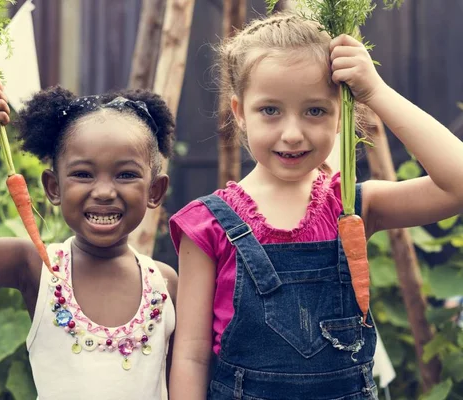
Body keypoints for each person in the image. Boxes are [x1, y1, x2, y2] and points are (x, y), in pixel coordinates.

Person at [168, 12, 463, 400]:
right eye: (270, 110)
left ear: (341, 115)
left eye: (315, 110)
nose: (292, 134)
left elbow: (456, 184)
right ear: (240, 113)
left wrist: (376, 92)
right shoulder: (207, 224)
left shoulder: (353, 205)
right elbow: (190, 356)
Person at [0, 77, 178, 400]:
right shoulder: (38, 268)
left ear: (155, 191)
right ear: (53, 187)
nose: (104, 191)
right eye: (83, 174)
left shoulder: (165, 285)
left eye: (126, 174)